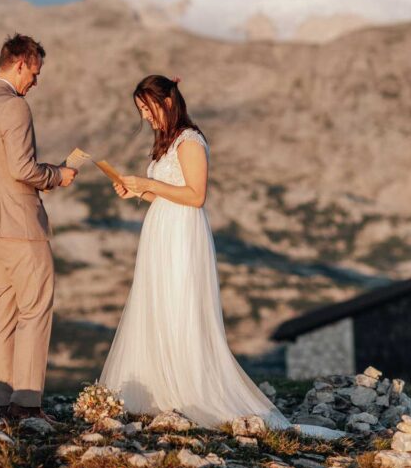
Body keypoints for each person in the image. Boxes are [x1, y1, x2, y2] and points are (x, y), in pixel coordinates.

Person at [98, 74, 291, 429]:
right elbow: (167, 196)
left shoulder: (190, 141)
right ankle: (160, 387)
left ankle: (190, 391)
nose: (144, 117)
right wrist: (139, 192)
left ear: (167, 102)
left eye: (147, 108)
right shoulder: (165, 142)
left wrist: (148, 183)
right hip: (161, 230)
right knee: (160, 302)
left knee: (180, 301)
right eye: (140, 110)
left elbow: (195, 196)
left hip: (183, 234)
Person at [0, 33, 77, 420]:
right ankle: (27, 404)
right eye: (35, 73)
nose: (35, 82)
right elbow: (23, 169)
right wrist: (58, 175)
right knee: (35, 309)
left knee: (4, 310)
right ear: (21, 63)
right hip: (20, 225)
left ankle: (3, 400)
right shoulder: (15, 108)